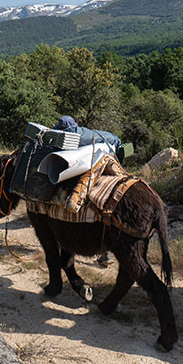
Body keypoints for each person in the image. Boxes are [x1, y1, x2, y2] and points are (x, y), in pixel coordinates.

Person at [53, 115, 113, 268]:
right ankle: (104, 253)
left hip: (93, 169)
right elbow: (115, 139)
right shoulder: (90, 134)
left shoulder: (72, 138)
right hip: (105, 164)